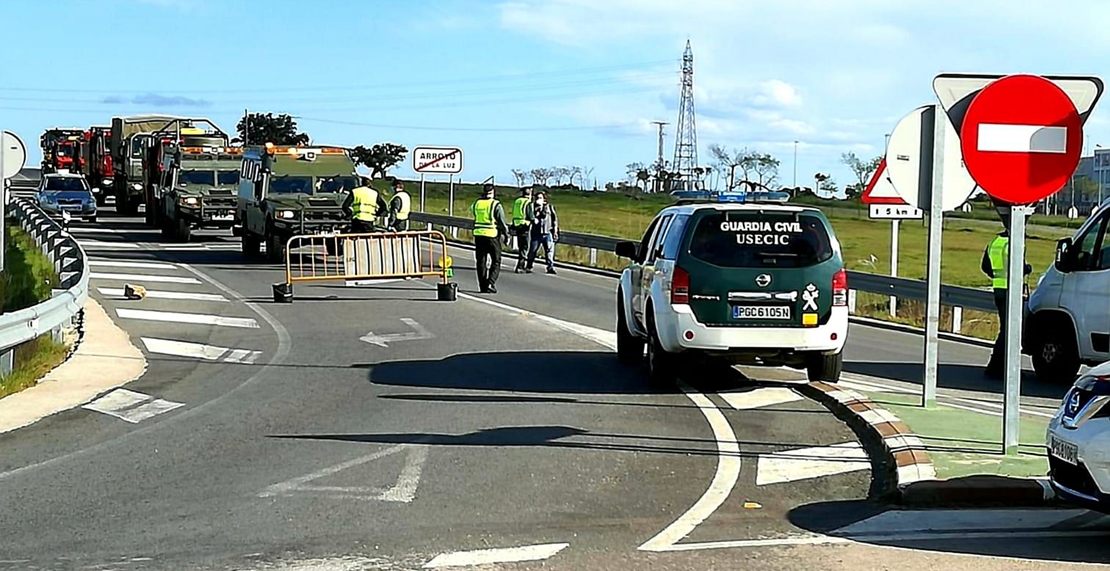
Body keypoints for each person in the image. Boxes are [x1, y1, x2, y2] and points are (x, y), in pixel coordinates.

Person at [981, 227, 1033, 379]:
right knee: (1011, 330)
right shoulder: (1014, 243)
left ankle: (997, 366)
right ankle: (1002, 368)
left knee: (1006, 329)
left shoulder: (995, 242)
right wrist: (1027, 268)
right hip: (1012, 289)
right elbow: (1019, 266)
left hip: (999, 288)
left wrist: (998, 276)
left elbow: (985, 267)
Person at [471, 182, 510, 293]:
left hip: (478, 235)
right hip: (492, 235)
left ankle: (482, 286)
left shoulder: (477, 203)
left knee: (481, 261)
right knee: (496, 261)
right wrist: (506, 234)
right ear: (493, 192)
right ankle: (490, 283)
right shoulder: (495, 204)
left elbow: (474, 215)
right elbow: (501, 221)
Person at [527, 191, 559, 274]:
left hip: (547, 233)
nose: (538, 200)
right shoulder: (533, 208)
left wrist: (555, 231)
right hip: (536, 233)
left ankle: (550, 267)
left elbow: (554, 220)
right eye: (537, 198)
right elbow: (530, 217)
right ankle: (529, 266)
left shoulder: (550, 208)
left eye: (540, 198)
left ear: (544, 199)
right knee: (533, 251)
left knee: (549, 251)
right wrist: (537, 211)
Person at [511, 186, 534, 273]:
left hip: (517, 225)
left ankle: (521, 265)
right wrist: (534, 220)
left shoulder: (517, 201)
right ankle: (520, 266)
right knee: (525, 247)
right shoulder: (528, 202)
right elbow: (530, 215)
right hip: (525, 226)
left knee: (521, 246)